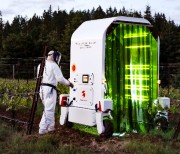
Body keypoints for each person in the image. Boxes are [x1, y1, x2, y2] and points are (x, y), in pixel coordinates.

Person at [37, 50, 73, 135]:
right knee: (49, 109)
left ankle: (51, 127)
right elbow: (60, 78)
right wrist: (69, 83)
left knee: (49, 108)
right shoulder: (54, 65)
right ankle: (42, 129)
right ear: (55, 56)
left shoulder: (41, 65)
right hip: (50, 89)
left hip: (41, 89)